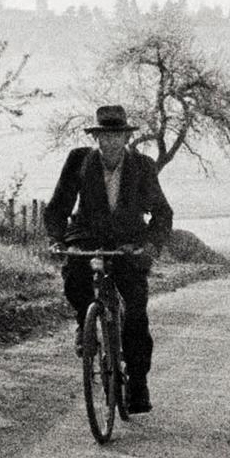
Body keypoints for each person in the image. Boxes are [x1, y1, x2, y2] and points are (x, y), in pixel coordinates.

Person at [44, 104, 173, 415]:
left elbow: (162, 213)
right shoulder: (79, 161)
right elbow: (59, 205)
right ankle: (83, 323)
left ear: (126, 138)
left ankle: (138, 383)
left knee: (136, 314)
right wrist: (57, 240)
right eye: (104, 136)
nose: (111, 142)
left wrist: (151, 245)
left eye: (117, 136)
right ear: (96, 137)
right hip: (87, 235)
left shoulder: (142, 166)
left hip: (129, 243)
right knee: (75, 275)